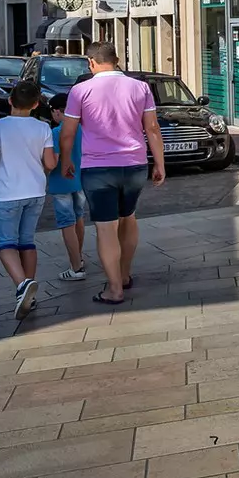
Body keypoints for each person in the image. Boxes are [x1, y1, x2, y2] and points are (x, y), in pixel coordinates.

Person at [58, 42, 163, 305]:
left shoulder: (80, 90)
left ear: (91, 62)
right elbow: (151, 128)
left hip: (98, 168)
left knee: (106, 228)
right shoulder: (140, 87)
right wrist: (160, 163)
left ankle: (114, 289)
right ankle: (125, 275)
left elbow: (68, 132)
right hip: (135, 164)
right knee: (128, 218)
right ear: (116, 60)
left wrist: (66, 161)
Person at [0, 79, 57, 317]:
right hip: (36, 192)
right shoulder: (42, 128)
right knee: (27, 242)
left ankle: (22, 284)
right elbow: (50, 163)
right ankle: (28, 294)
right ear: (35, 105)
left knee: (5, 243)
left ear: (10, 100)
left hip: (9, 193)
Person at [46, 91, 89, 280]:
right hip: (81, 180)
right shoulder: (83, 128)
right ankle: (78, 256)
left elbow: (53, 162)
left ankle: (76, 267)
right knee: (79, 217)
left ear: (56, 111)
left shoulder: (56, 132)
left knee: (66, 223)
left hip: (61, 183)